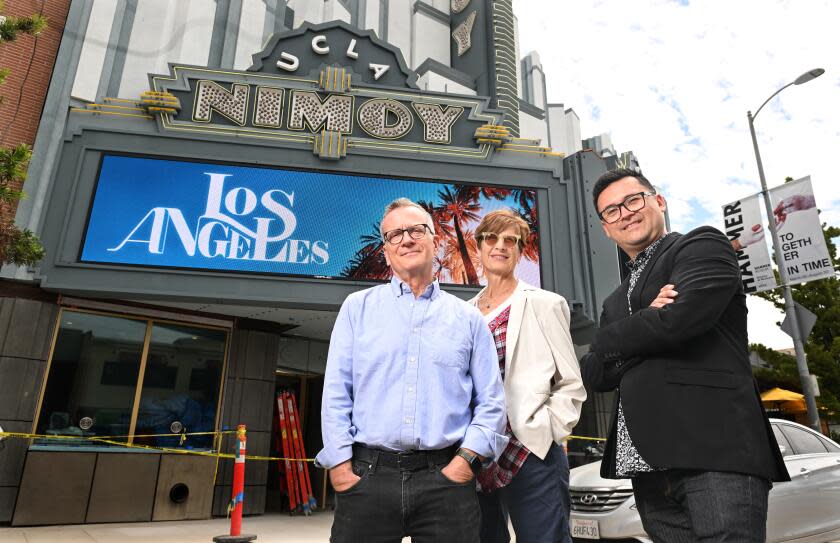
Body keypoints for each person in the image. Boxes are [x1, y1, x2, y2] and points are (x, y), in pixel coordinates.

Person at [580, 168, 789, 543]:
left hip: (713, 451)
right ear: (606, 228)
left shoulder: (701, 245)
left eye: (633, 200)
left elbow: (682, 319)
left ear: (658, 201)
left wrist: (615, 340)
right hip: (645, 467)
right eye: (611, 211)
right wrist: (646, 319)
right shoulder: (614, 300)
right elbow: (596, 371)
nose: (624, 213)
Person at [316, 198, 507, 543]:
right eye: (394, 235)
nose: (406, 239)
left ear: (436, 241)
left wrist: (463, 463)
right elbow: (335, 394)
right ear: (387, 250)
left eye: (417, 230)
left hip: (445, 482)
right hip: (366, 478)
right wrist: (340, 467)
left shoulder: (468, 320)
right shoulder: (357, 309)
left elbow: (491, 401)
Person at [469, 209, 586, 543]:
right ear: (479, 246)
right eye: (492, 238)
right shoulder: (462, 313)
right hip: (476, 453)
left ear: (520, 252)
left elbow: (570, 383)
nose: (500, 246)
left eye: (511, 240)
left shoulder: (545, 304)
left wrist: (547, 430)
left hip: (530, 451)